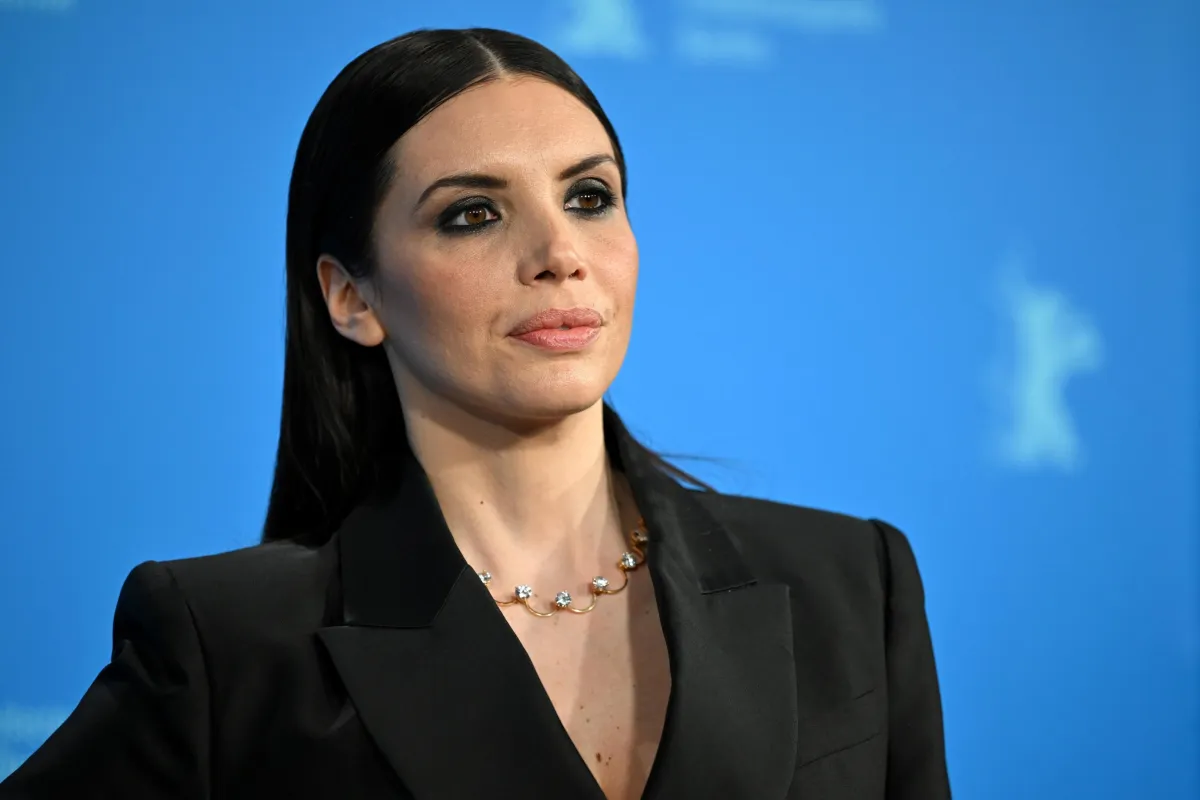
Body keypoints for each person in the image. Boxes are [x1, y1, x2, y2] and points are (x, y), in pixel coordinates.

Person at [0, 27, 951, 800]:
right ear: (352, 297)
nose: (559, 254)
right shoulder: (229, 645)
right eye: (473, 214)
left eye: (589, 197)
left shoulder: (851, 583)